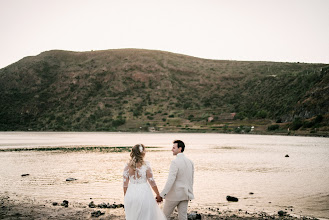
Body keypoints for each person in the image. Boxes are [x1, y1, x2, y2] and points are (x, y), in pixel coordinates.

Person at [123, 144, 166, 220]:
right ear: (142, 153)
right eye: (145, 150)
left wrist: (126, 198)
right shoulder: (146, 165)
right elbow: (152, 181)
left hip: (131, 193)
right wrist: (158, 194)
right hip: (144, 193)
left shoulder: (127, 166)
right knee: (146, 215)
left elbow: (125, 184)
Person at [159, 140, 194, 220]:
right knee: (183, 217)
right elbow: (191, 180)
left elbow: (170, 180)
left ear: (180, 149)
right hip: (186, 194)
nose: (172, 149)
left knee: (163, 216)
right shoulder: (190, 162)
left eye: (174, 148)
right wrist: (190, 193)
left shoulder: (175, 162)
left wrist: (162, 194)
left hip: (174, 195)